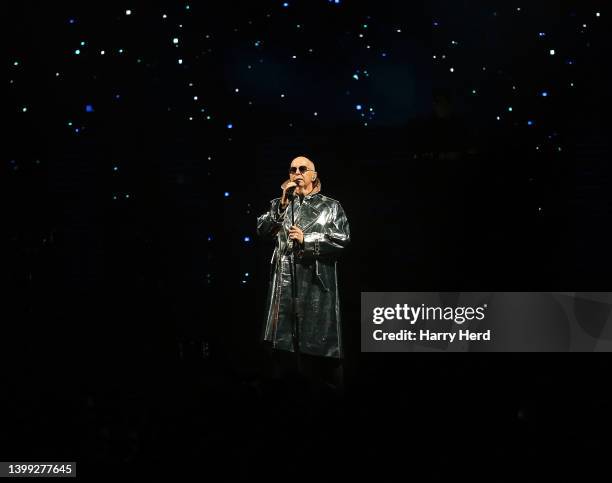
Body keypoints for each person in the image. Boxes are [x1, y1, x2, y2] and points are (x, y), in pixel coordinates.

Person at [257, 156, 350, 395]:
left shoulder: (331, 206)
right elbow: (262, 229)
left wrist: (307, 240)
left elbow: (342, 239)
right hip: (284, 284)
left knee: (317, 345)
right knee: (283, 346)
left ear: (313, 175)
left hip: (315, 283)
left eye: (302, 169)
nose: (296, 173)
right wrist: (281, 205)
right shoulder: (280, 205)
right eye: (292, 169)